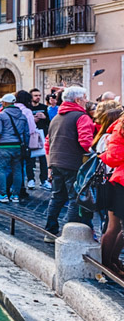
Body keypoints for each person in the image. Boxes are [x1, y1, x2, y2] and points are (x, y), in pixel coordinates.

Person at [43, 86, 95, 242]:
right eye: (85, 97)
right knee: (74, 199)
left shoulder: (56, 118)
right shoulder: (81, 117)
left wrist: (49, 165)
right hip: (73, 164)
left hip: (56, 162)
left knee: (57, 197)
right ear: (78, 100)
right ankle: (69, 235)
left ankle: (50, 232)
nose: (86, 100)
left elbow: (48, 143)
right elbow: (86, 142)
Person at [0, 94, 29, 203]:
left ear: (5, 103)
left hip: (4, 146)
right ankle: (15, 195)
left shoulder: (0, 115)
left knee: (1, 169)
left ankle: (3, 194)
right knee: (17, 170)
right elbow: (27, 133)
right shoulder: (22, 116)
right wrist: (26, 145)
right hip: (18, 146)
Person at [100, 115, 124, 275]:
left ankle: (110, 262)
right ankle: (107, 263)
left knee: (114, 226)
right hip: (120, 182)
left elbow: (114, 157)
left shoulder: (119, 126)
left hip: (119, 180)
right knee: (114, 227)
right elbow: (115, 157)